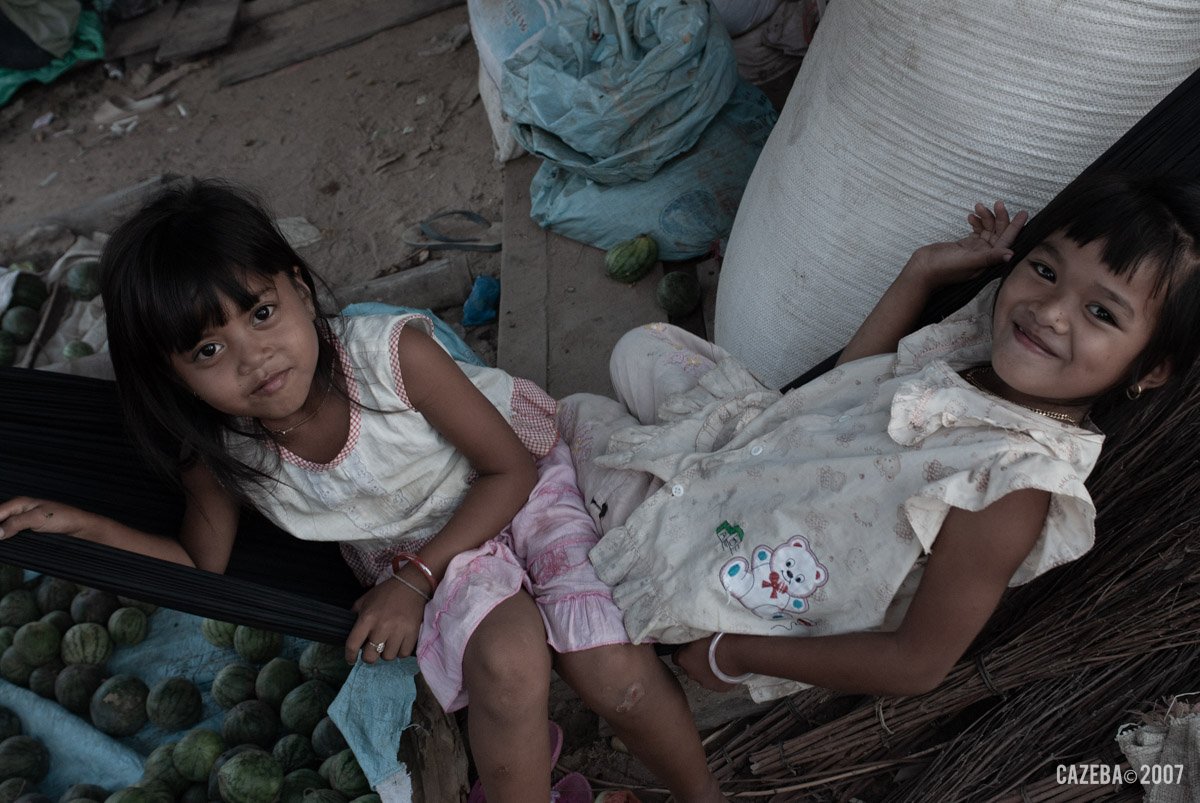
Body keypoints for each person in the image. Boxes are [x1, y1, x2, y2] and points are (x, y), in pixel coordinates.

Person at [0, 180, 723, 803]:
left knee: (612, 673)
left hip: (514, 493)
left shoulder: (391, 358)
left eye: (261, 312)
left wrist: (413, 581)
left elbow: (510, 470)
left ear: (298, 288)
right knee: (508, 665)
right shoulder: (224, 452)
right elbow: (198, 567)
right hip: (424, 553)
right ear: (175, 377)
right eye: (208, 350)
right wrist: (85, 527)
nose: (254, 357)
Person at [558, 171, 1200, 703]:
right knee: (642, 347)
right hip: (764, 448)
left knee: (578, 418)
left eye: (1101, 312)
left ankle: (614, 543)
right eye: (1045, 270)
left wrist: (732, 654)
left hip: (730, 552)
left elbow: (916, 664)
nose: (1049, 311)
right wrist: (919, 273)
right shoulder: (985, 352)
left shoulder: (1013, 486)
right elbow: (848, 389)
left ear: (1152, 370)